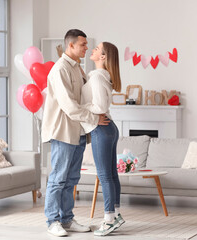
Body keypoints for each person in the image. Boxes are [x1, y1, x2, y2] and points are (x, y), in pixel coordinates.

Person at [41, 29, 109, 237]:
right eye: (83, 45)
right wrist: (94, 119)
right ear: (70, 45)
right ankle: (52, 221)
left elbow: (85, 99)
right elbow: (69, 106)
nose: (86, 48)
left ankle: (67, 219)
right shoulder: (60, 69)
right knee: (58, 178)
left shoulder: (78, 68)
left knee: (71, 179)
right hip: (63, 131)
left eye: (87, 44)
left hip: (78, 131)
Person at [80, 42, 125, 236]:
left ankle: (108, 220)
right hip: (109, 128)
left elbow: (98, 107)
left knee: (105, 176)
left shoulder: (97, 77)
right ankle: (115, 214)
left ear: (104, 56)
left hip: (101, 127)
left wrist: (84, 110)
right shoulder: (102, 77)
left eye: (97, 49)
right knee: (111, 174)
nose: (93, 50)